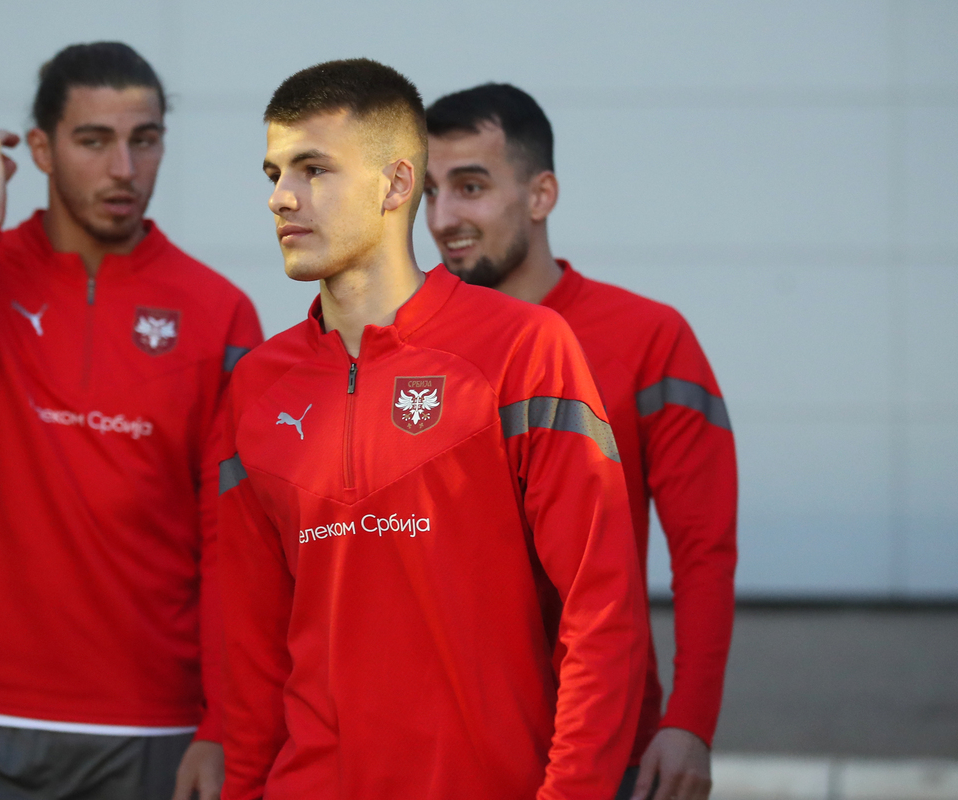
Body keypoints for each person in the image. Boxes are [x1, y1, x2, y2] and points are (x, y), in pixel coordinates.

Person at [215, 58, 647, 800]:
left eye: (314, 169)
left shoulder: (525, 349)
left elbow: (602, 611)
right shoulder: (257, 386)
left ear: (396, 184)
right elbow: (250, 650)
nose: (282, 199)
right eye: (273, 173)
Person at [0, 42, 261, 800]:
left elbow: (234, 539)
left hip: (147, 728)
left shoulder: (218, 311)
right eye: (93, 141)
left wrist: (224, 724)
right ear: (40, 148)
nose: (124, 171)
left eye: (145, 140)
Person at [424, 83, 739, 800]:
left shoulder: (650, 339)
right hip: (443, 748)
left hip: (607, 745)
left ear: (541, 196)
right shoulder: (402, 348)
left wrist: (691, 721)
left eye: (470, 187)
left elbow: (704, 552)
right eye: (431, 192)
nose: (444, 219)